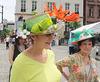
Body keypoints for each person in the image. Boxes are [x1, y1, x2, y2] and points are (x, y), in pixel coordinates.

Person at [10, 13, 64, 82]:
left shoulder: (50, 54)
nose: (52, 38)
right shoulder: (20, 62)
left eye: (53, 34)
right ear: (33, 36)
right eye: (48, 34)